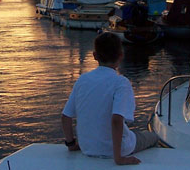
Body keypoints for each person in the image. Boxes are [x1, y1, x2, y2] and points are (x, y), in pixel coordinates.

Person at [61, 32, 158, 165]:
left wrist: (71, 144)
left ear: (95, 56)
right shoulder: (121, 82)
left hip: (87, 148)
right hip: (116, 150)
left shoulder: (82, 80)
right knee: (152, 136)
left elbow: (66, 117)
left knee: (131, 133)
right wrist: (118, 158)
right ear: (121, 56)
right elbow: (117, 120)